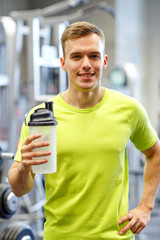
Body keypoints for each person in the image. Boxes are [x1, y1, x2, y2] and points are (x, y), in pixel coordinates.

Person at [8, 21, 160, 240]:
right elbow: (20, 189)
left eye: (94, 56)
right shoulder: (40, 117)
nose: (86, 64)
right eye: (77, 56)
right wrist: (23, 167)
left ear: (104, 61)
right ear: (64, 63)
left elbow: (154, 152)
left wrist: (145, 207)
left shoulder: (129, 109)